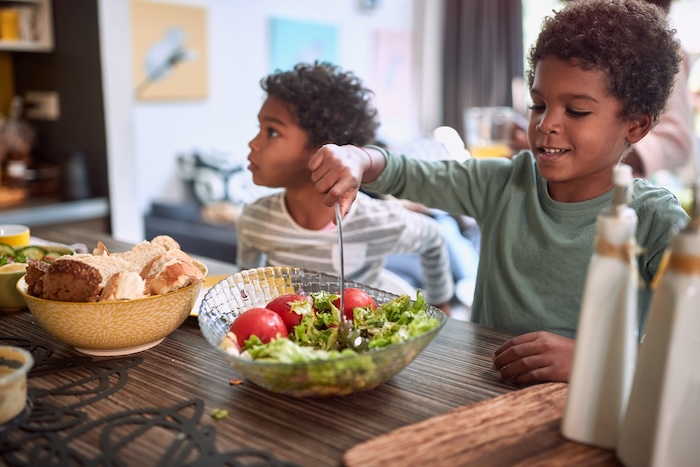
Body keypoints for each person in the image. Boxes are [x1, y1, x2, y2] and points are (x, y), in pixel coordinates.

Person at [307, 0, 690, 384]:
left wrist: (592, 359)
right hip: (481, 393)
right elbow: (408, 173)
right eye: (538, 104)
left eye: (576, 111)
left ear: (636, 126)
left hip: (586, 410)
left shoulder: (655, 219)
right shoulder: (503, 183)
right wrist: (358, 157)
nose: (546, 125)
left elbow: (690, 339)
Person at [236, 61, 454, 314]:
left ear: (326, 152)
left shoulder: (380, 221)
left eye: (272, 132)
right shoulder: (254, 220)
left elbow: (433, 238)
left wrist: (441, 304)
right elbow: (245, 292)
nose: (253, 143)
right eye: (259, 128)